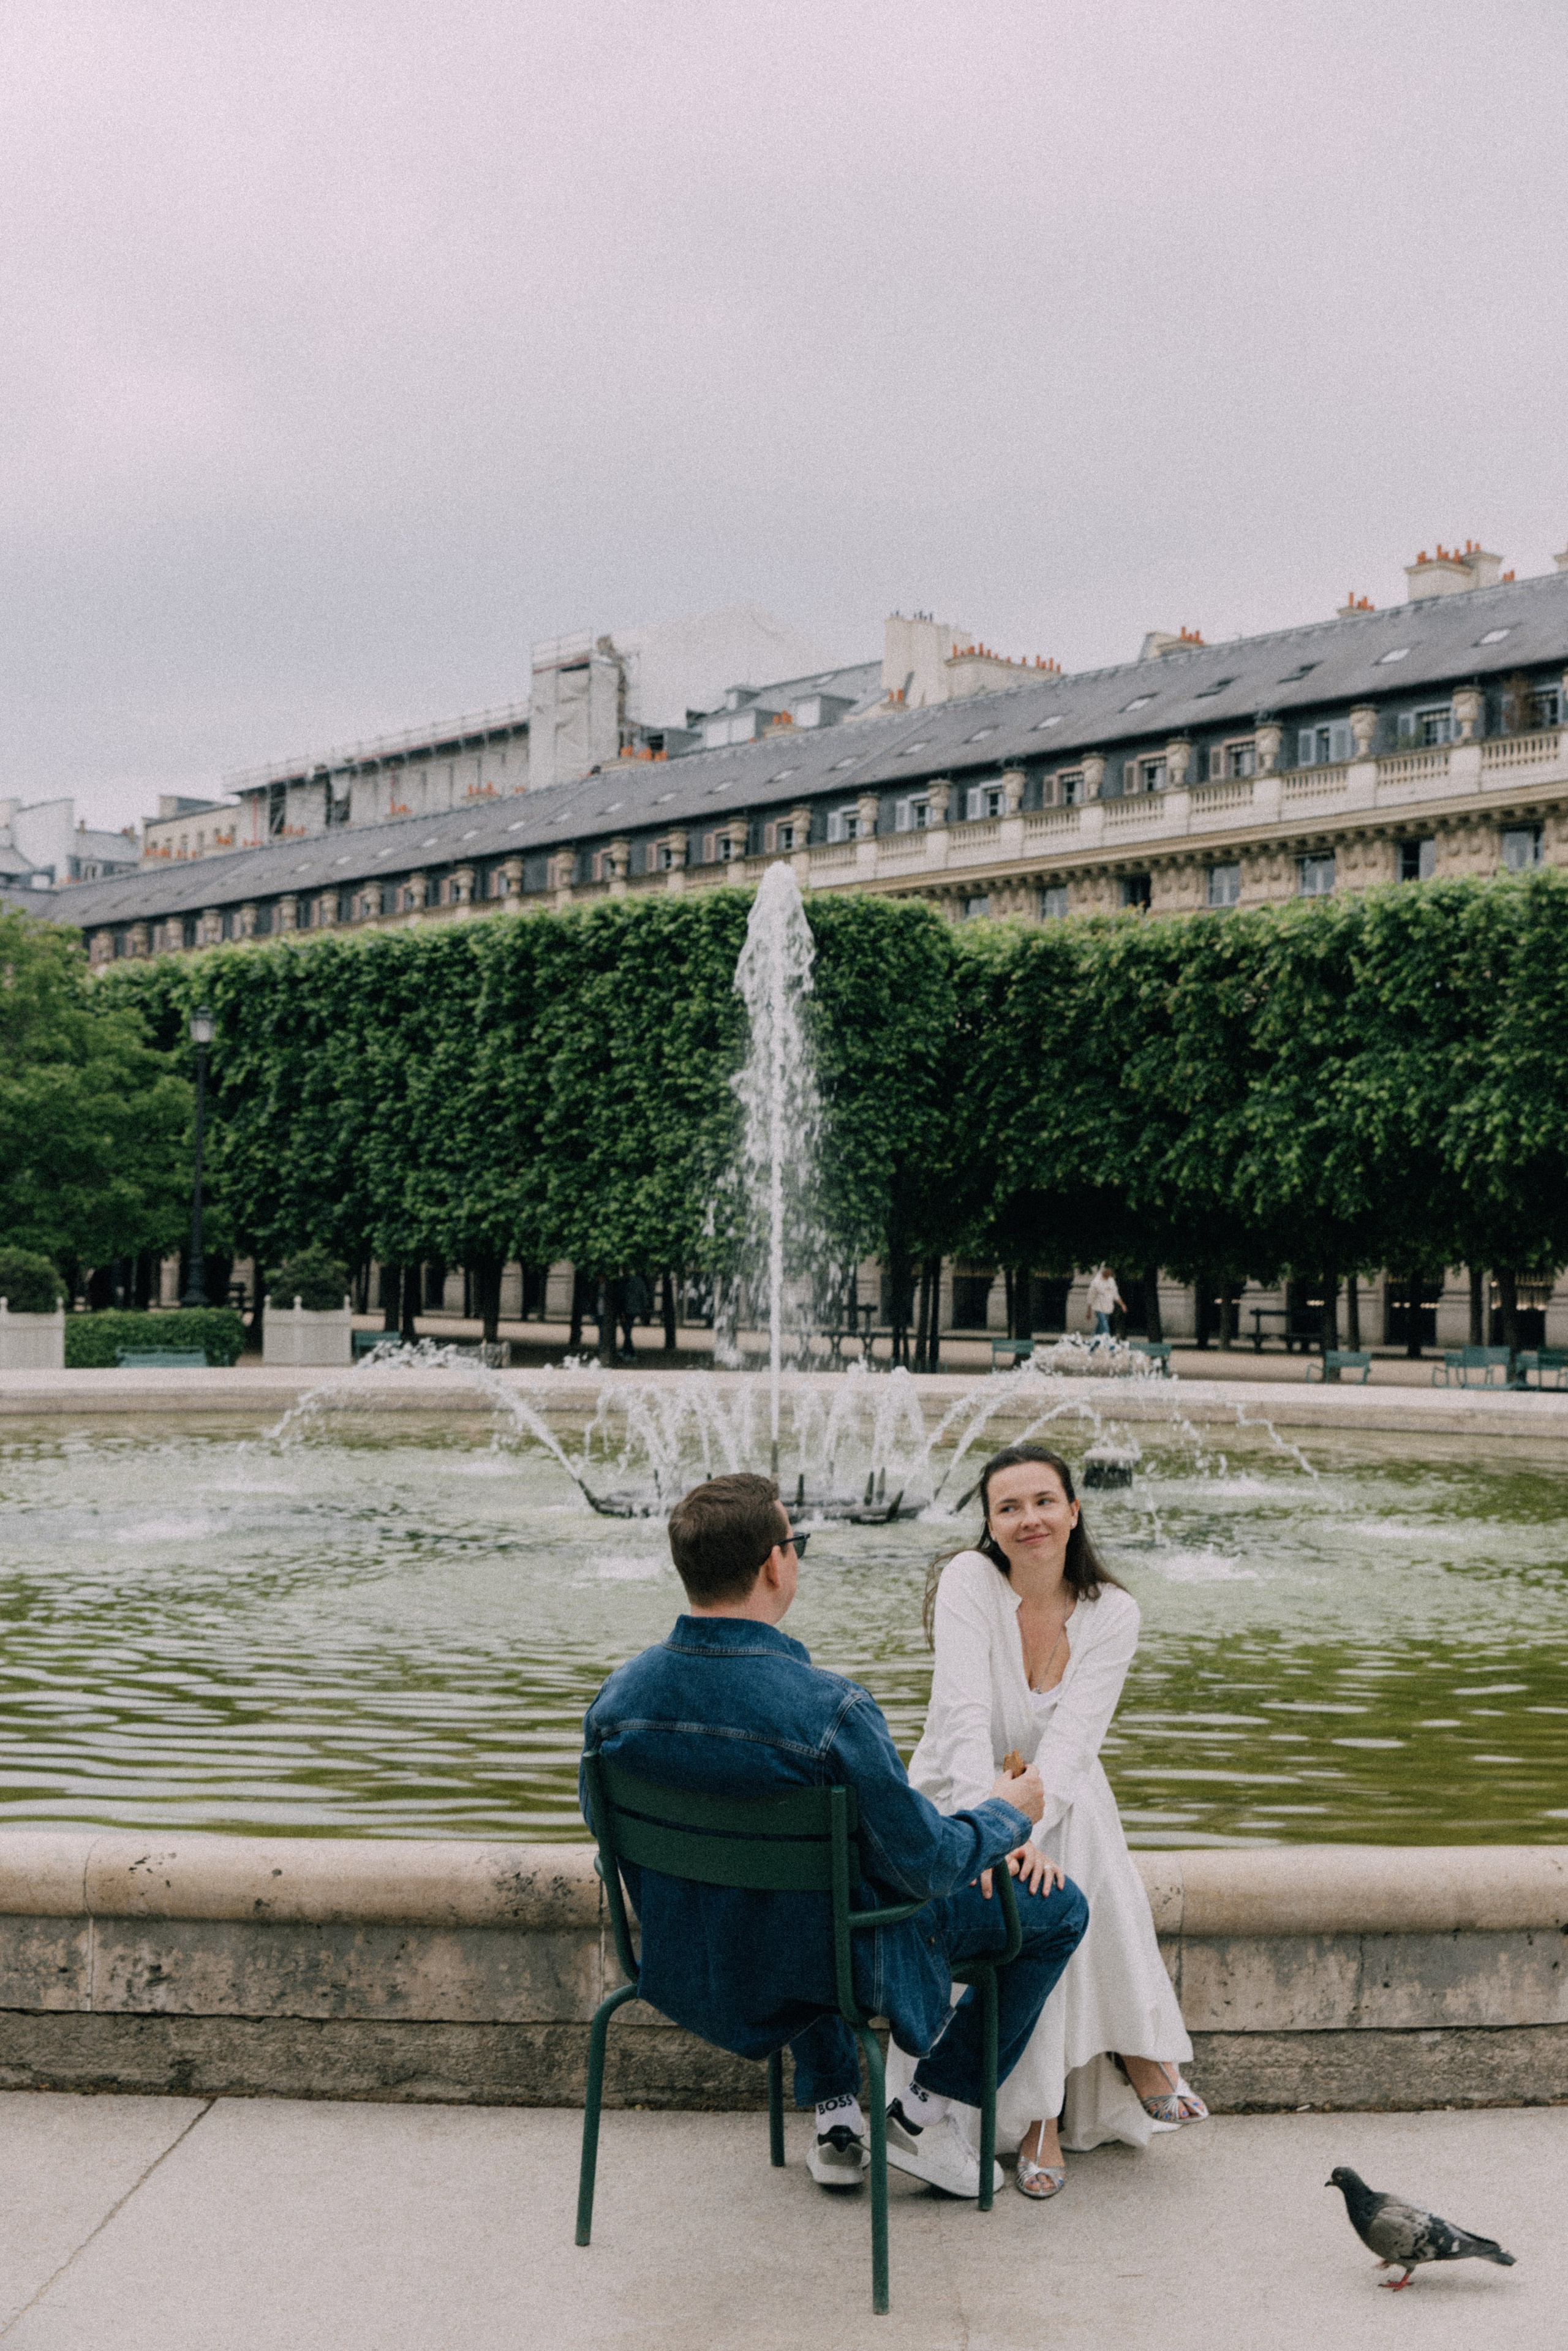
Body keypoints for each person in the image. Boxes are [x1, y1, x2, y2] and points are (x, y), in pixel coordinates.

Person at [580, 1471, 1090, 2200]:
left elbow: (611, 1845)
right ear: (773, 1565)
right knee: (1058, 1909)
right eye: (796, 1542)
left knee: (800, 1895)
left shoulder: (614, 1703)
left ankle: (835, 2114)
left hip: (690, 1959)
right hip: (824, 1962)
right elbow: (928, 1863)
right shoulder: (833, 1711)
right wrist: (1009, 1811)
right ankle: (921, 2111)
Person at [892, 1441, 1202, 2200]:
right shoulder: (967, 1581)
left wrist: (1026, 1821)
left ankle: (1042, 2114)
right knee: (1065, 1845)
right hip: (959, 1795)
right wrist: (994, 1831)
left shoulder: (1113, 1612)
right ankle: (1127, 2058)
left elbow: (1071, 1745)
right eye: (1008, 1507)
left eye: (1042, 1502)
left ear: (1073, 1511)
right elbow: (963, 1725)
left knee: (1074, 1811)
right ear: (990, 1525)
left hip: (1049, 1797)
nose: (1028, 1518)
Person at [1085, 1264, 1125, 1337]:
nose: (1110, 1274)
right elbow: (1090, 1297)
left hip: (1108, 1308)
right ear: (1104, 1272)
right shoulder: (1096, 1282)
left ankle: (1092, 1340)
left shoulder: (1111, 1281)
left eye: (1111, 1273)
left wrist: (1122, 1305)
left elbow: (1116, 1295)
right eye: (1108, 1272)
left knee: (1100, 1328)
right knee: (1105, 1327)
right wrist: (1089, 1311)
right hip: (1099, 1308)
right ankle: (1108, 1342)